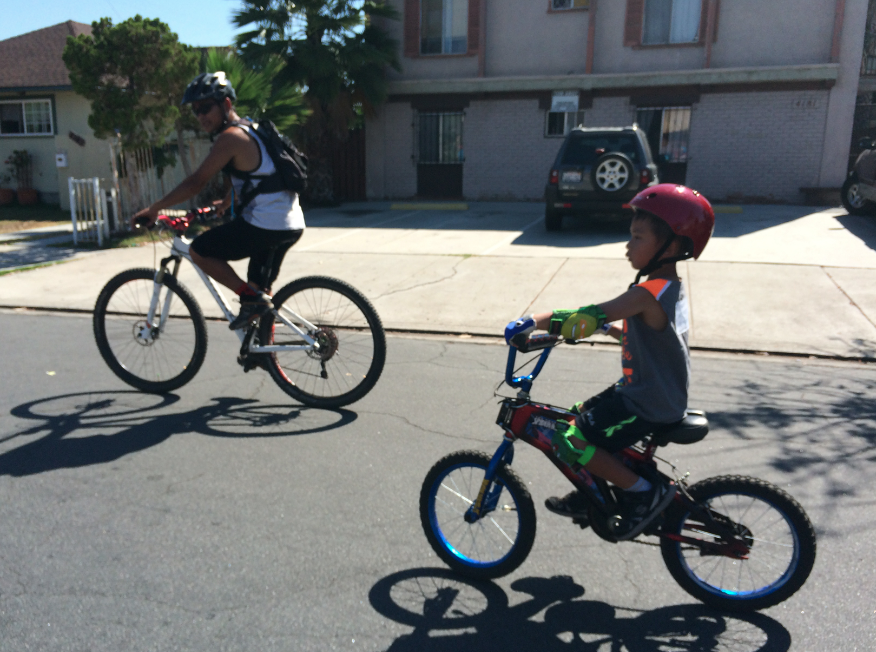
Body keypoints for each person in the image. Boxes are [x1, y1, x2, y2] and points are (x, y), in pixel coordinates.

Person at [504, 184, 715, 540]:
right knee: (576, 418)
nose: (628, 246)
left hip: (648, 401)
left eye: (637, 237)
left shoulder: (646, 293)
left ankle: (644, 494)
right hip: (648, 392)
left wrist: (531, 322)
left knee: (571, 439)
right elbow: (655, 339)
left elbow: (583, 316)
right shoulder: (668, 288)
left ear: (673, 245)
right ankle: (593, 491)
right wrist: (611, 331)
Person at [132, 71, 306, 331]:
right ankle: (263, 353)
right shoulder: (253, 129)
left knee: (199, 251)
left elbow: (196, 182)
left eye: (206, 108)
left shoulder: (230, 137)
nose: (201, 116)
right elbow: (259, 178)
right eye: (196, 111)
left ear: (225, 105)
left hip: (266, 225)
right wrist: (226, 203)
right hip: (290, 223)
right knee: (260, 296)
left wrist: (154, 209)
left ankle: (250, 299)